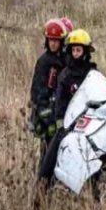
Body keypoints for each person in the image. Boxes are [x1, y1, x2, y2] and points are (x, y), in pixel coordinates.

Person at [39, 28, 98, 187]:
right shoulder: (65, 75)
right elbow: (60, 101)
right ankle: (43, 182)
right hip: (69, 121)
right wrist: (60, 122)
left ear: (85, 51)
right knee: (54, 149)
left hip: (90, 119)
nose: (76, 53)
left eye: (79, 50)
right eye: (74, 50)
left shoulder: (92, 72)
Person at [28, 18, 72, 147]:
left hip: (64, 113)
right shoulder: (43, 62)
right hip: (48, 117)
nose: (53, 44)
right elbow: (37, 94)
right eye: (51, 40)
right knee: (48, 154)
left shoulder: (66, 60)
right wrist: (49, 120)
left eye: (56, 40)